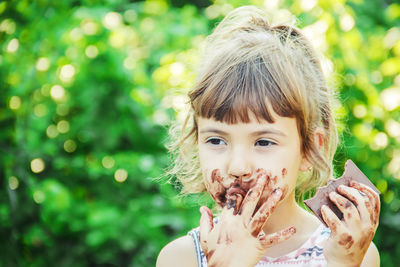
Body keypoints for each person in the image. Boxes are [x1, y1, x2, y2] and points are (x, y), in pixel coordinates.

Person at [156, 5, 380, 267]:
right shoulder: (182, 258)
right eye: (216, 140)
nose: (238, 167)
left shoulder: (348, 251)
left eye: (263, 142)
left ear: (309, 150)